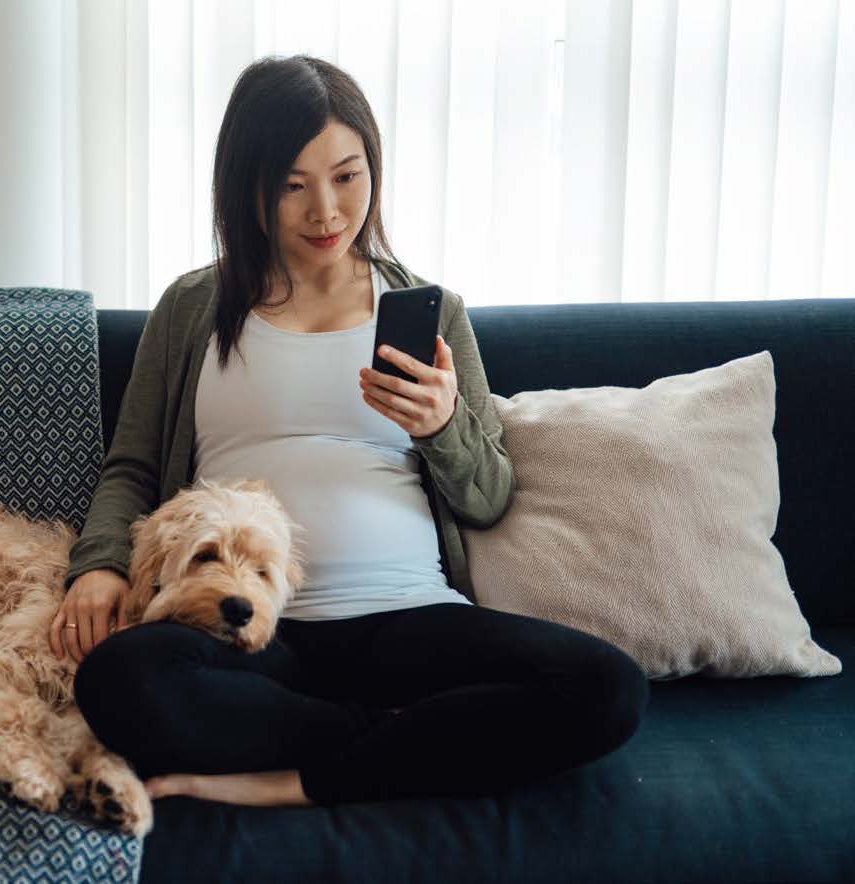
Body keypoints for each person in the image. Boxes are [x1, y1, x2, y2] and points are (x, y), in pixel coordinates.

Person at [47, 55, 649, 807]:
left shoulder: (431, 313)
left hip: (406, 615)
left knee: (606, 688)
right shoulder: (193, 308)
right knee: (118, 679)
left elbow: (488, 496)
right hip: (251, 630)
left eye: (346, 175)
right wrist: (99, 564)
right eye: (291, 186)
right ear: (247, 188)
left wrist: (440, 428)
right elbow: (133, 467)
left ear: (374, 169)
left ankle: (300, 777)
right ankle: (401, 740)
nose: (325, 211)